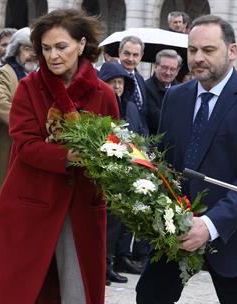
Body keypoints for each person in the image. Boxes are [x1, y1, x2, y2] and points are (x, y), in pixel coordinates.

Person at [136, 15, 237, 304]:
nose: (198, 58)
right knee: (149, 295)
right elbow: (166, 162)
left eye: (208, 50)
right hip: (177, 230)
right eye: (192, 50)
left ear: (232, 51)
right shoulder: (176, 97)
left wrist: (209, 225)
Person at [0, 9, 119, 304]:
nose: (53, 55)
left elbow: (114, 145)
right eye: (46, 48)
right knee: (16, 290)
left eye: (61, 47)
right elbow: (26, 145)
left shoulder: (103, 93)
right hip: (31, 202)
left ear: (81, 45)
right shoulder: (29, 88)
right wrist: (70, 156)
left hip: (82, 205)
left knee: (77, 291)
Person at [0, 27, 37, 242]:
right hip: (6, 152)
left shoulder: (34, 75)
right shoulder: (5, 72)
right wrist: (25, 124)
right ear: (16, 50)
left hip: (26, 155)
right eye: (27, 48)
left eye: (36, 49)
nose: (32, 53)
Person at [98, 61, 139, 285]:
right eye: (112, 82)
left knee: (117, 223)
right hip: (105, 170)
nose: (117, 87)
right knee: (104, 222)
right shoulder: (100, 104)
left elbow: (139, 132)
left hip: (125, 170)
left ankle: (109, 264)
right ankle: (100, 266)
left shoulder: (129, 106)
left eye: (120, 82)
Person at [116, 35, 150, 274]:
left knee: (129, 209)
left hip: (136, 149)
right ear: (120, 53)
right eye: (127, 53)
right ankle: (114, 257)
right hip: (118, 149)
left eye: (135, 55)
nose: (130, 58)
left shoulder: (139, 80)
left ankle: (122, 255)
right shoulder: (114, 76)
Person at [146, 49, 182, 135]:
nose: (168, 72)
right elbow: (156, 120)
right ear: (155, 67)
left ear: (177, 71)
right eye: (164, 67)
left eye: (172, 69)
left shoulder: (183, 90)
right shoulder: (147, 88)